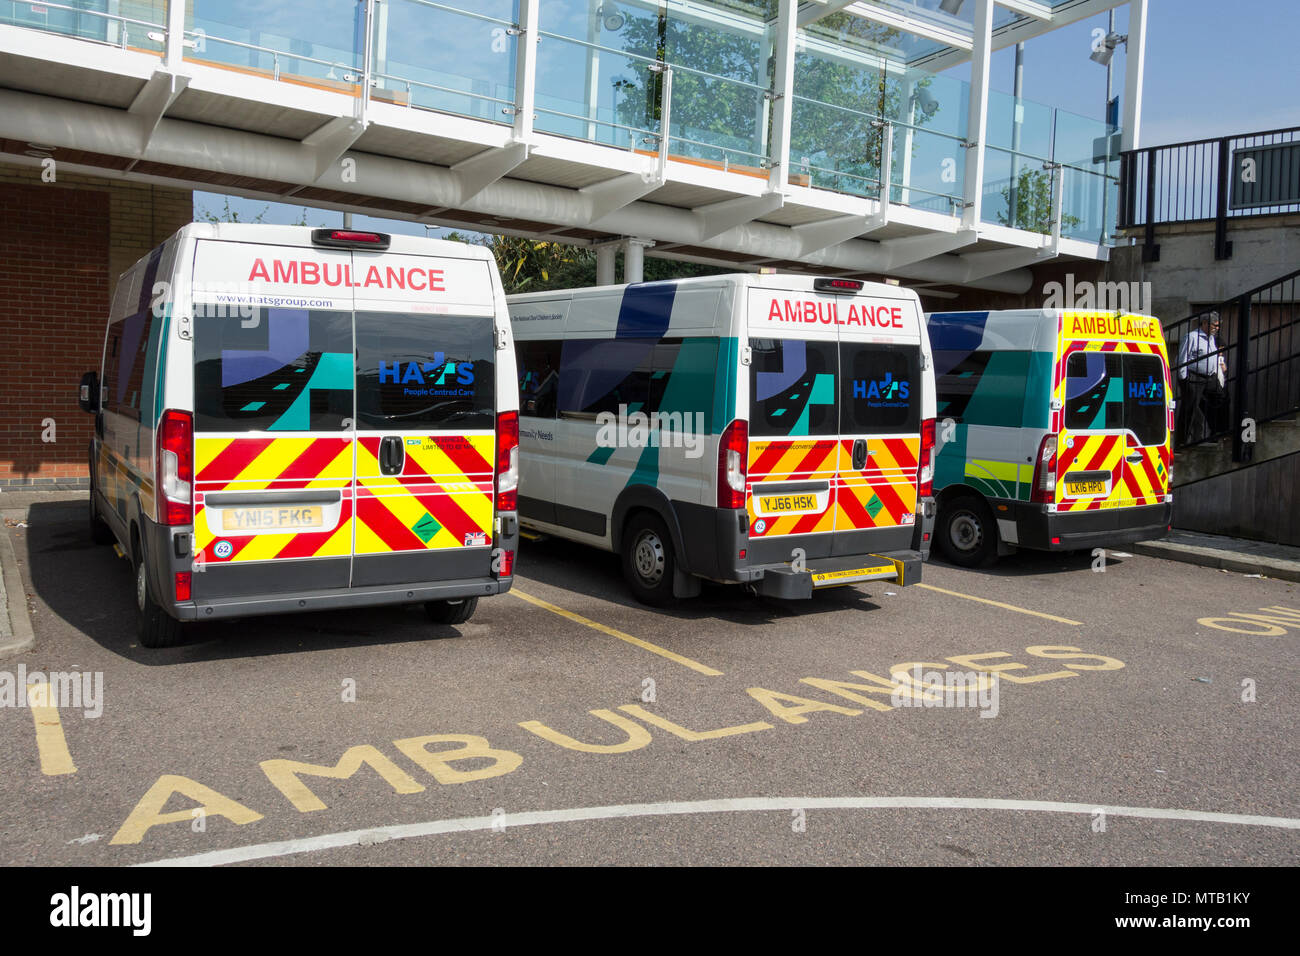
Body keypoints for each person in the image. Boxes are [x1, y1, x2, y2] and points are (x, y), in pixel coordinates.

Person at [1177, 311, 1226, 444]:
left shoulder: (1211, 338)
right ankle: (1181, 442)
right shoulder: (1192, 337)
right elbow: (1182, 358)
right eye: (1214, 325)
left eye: (1218, 326)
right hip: (1194, 377)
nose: (1217, 328)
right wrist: (1184, 379)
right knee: (1189, 409)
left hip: (1210, 377)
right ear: (1205, 323)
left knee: (1221, 398)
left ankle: (1217, 432)